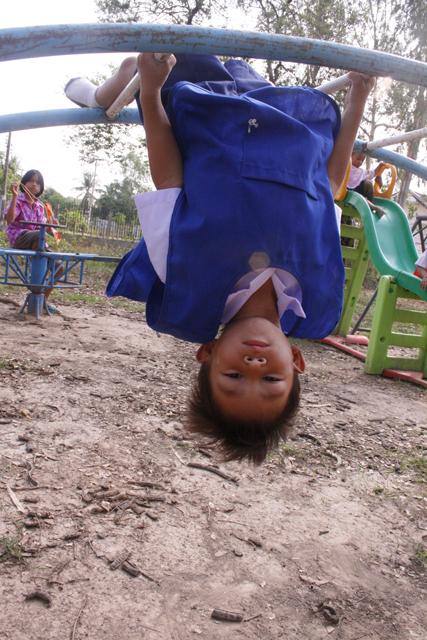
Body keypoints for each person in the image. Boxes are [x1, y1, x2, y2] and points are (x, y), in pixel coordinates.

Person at [66, 54, 374, 464]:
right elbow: (330, 183)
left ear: (207, 354)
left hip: (203, 108)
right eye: (270, 378)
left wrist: (153, 91)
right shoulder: (316, 283)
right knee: (245, 74)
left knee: (146, 65)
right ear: (297, 361)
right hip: (275, 120)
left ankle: (95, 94)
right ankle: (119, 87)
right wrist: (358, 99)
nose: (253, 363)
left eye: (233, 376)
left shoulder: (181, 275)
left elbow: (170, 178)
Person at [4, 169, 61, 309]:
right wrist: (14, 196)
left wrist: (52, 227)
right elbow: (9, 220)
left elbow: (45, 229)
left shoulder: (40, 207)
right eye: (31, 180)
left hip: (37, 240)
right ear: (24, 183)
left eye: (38, 182)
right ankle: (37, 278)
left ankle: (42, 300)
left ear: (41, 187)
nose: (34, 184)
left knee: (59, 267)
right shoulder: (18, 200)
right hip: (19, 238)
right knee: (37, 234)